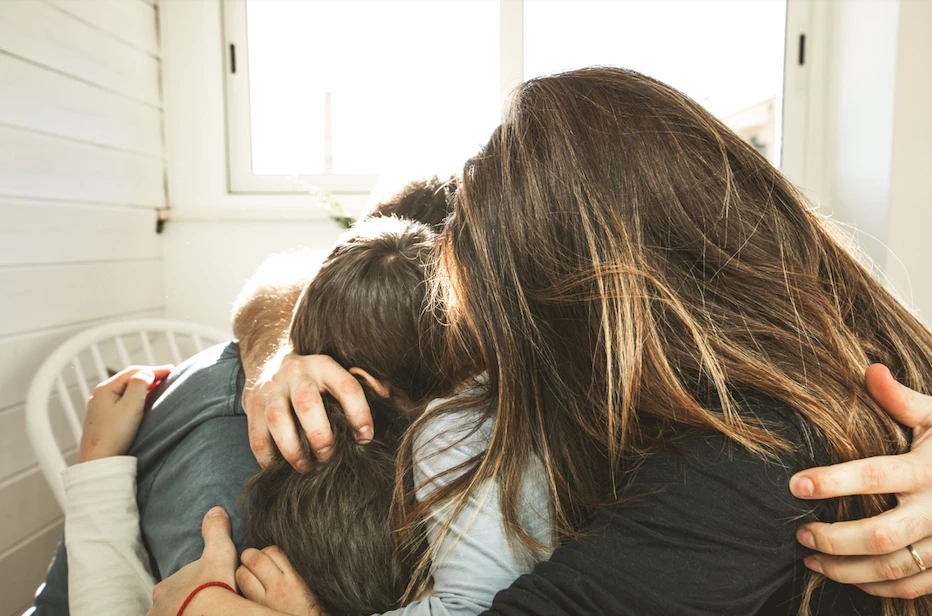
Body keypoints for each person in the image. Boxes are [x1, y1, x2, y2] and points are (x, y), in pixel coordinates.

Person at [148, 67, 932, 615]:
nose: (474, 353)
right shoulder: (804, 334)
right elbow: (290, 276)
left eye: (486, 323)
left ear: (577, 316)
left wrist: (212, 608)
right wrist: (285, 353)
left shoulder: (751, 456)